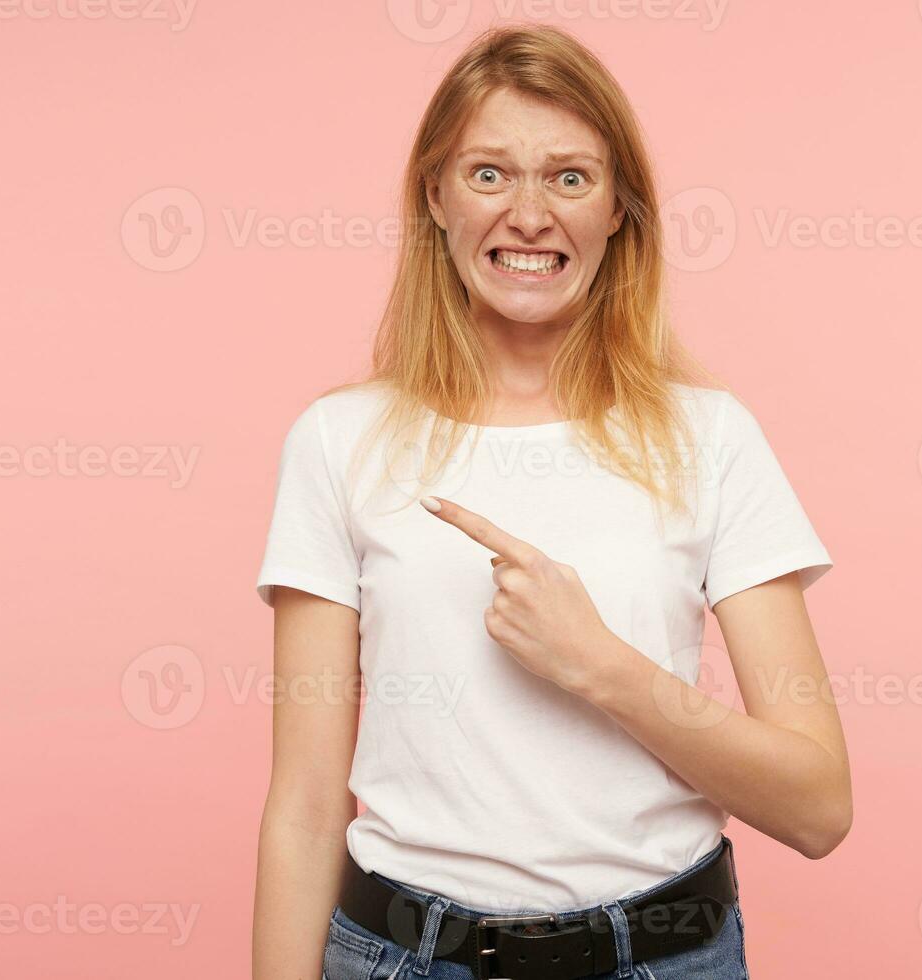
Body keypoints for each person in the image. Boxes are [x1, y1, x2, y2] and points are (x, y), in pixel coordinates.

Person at [250, 23, 852, 980]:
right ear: (435, 198)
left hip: (667, 957)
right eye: (490, 173)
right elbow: (306, 806)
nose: (529, 214)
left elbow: (818, 807)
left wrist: (601, 667)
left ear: (618, 210)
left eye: (570, 177)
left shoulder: (710, 438)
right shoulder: (339, 441)